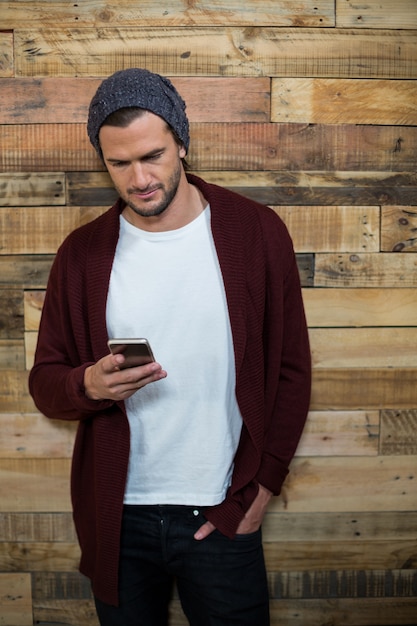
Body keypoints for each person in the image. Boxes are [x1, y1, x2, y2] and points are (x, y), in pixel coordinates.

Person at [29, 68, 311, 626]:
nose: (139, 179)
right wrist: (86, 385)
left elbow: (290, 371)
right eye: (119, 163)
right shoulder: (83, 254)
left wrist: (260, 491)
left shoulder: (256, 232)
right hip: (119, 518)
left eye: (153, 155)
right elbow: (45, 384)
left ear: (182, 142)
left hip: (222, 507)